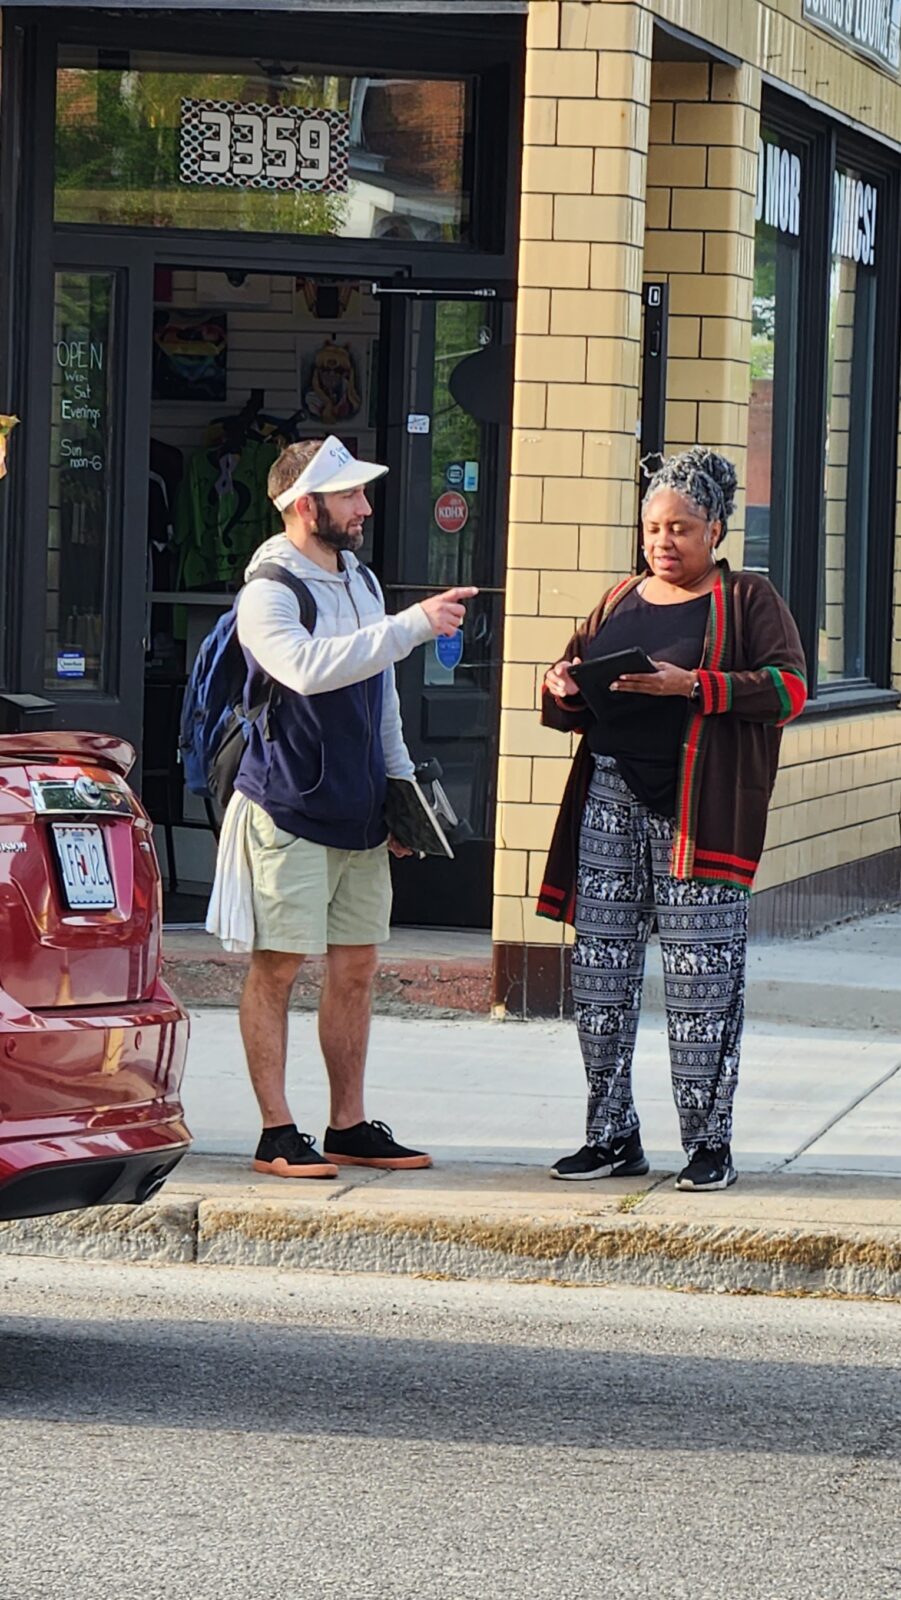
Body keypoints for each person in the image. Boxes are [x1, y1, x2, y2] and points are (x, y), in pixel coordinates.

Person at [209, 435, 477, 1180]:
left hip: (358, 811)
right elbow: (304, 670)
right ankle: (275, 1132)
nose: (364, 508)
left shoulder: (359, 578)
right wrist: (413, 626)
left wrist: (399, 798)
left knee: (356, 966)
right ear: (304, 505)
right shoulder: (268, 588)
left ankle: (348, 1126)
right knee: (278, 966)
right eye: (350, 495)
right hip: (288, 807)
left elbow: (381, 690)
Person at [538, 447, 806, 1192]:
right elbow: (565, 698)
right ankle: (610, 1136)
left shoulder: (749, 601)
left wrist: (694, 685)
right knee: (599, 981)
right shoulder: (618, 596)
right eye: (652, 526)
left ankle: (706, 1145)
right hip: (608, 804)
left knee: (700, 989)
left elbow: (786, 691)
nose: (663, 541)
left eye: (681, 528)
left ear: (715, 529)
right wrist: (560, 684)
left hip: (699, 817)